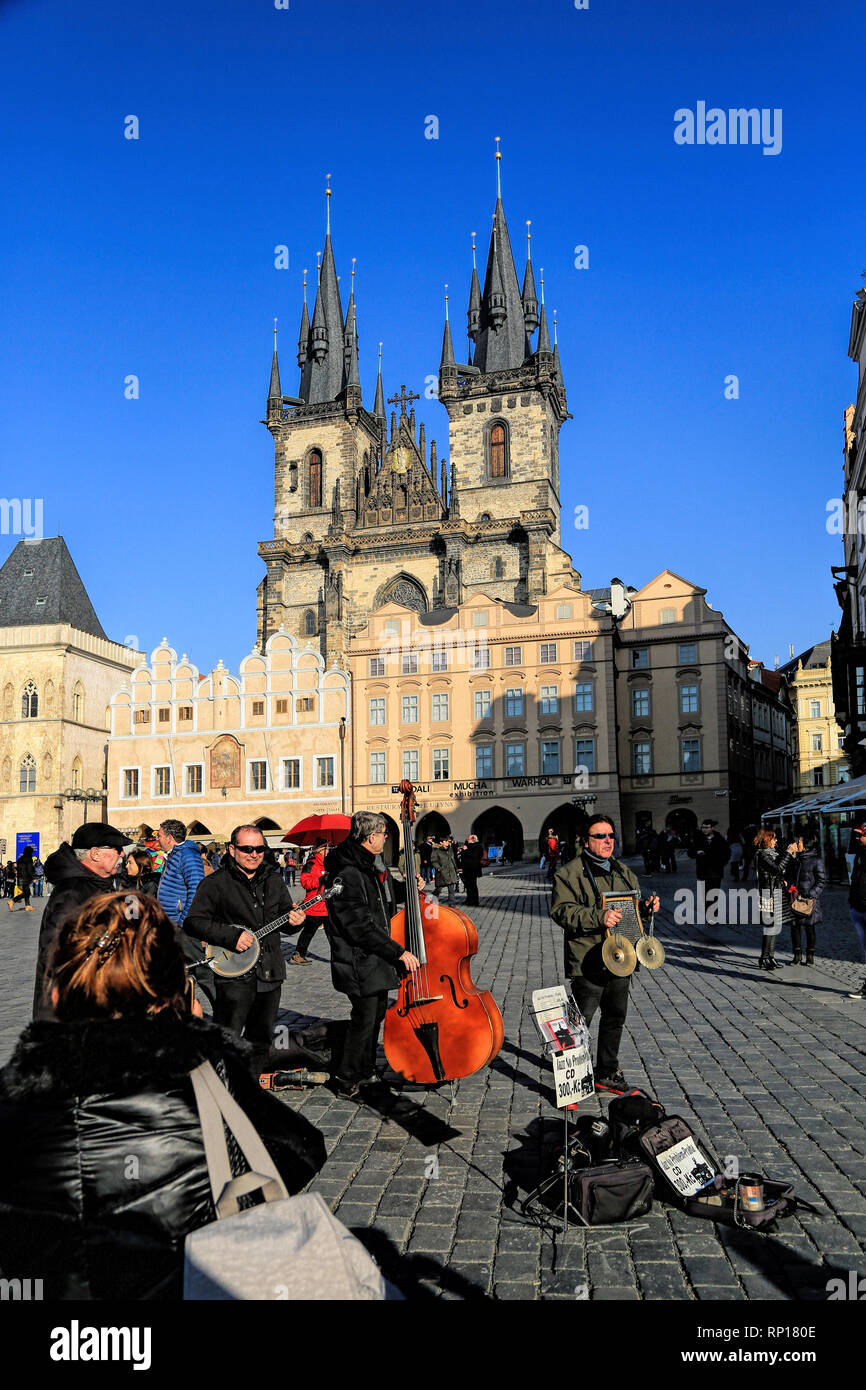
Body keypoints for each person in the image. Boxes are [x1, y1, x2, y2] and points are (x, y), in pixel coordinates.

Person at [0, 890, 325, 1300]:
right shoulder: (209, 1076)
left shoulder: (13, 1091)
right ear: (172, 987)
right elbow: (304, 1150)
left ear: (58, 990)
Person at [184, 824, 306, 1078]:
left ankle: (248, 1090)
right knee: (226, 1039)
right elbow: (194, 921)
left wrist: (296, 922)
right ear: (232, 849)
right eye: (247, 848)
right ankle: (221, 1091)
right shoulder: (215, 883)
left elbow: (285, 918)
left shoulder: (273, 880)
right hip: (234, 976)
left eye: (260, 849)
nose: (254, 854)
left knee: (260, 1040)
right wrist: (230, 936)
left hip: (270, 971)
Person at [550, 813, 659, 1095]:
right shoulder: (569, 873)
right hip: (588, 960)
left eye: (611, 835)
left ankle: (606, 1072)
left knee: (615, 1017)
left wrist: (646, 908)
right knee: (579, 1023)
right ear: (586, 841)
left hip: (621, 959)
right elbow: (562, 911)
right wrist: (599, 917)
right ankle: (571, 1081)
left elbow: (631, 913)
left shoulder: (623, 871)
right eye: (600, 836)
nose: (607, 841)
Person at [321, 811, 422, 1098]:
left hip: (372, 959)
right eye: (382, 832)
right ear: (370, 837)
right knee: (364, 1018)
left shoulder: (366, 865)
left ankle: (364, 1069)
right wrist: (398, 952)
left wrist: (409, 889)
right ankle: (347, 1077)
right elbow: (359, 926)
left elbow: (382, 899)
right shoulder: (349, 872)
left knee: (374, 1014)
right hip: (358, 960)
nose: (385, 837)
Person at [32, 822, 132, 1020]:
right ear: (94, 853)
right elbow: (56, 954)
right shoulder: (73, 892)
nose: (122, 855)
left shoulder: (101, 885)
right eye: (117, 849)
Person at [753, 828, 799, 973]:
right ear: (766, 840)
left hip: (776, 892)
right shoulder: (762, 854)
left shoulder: (773, 853)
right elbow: (777, 868)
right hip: (768, 894)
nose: (776, 841)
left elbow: (780, 870)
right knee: (769, 927)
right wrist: (787, 853)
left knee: (774, 926)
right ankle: (764, 958)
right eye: (773, 838)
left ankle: (770, 957)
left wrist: (790, 855)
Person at [792, 831, 826, 967]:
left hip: (809, 900)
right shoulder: (796, 859)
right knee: (794, 927)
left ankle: (810, 955)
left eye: (799, 842)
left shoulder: (816, 860)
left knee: (809, 928)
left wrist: (811, 893)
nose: (796, 844)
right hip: (794, 898)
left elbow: (821, 881)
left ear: (806, 844)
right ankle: (797, 955)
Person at [294, 840, 329, 964]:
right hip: (314, 905)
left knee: (334, 934)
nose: (328, 851)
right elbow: (305, 882)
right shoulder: (311, 864)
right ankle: (298, 954)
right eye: (326, 849)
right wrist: (321, 880)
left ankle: (340, 957)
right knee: (309, 932)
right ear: (320, 850)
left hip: (328, 905)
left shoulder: (328, 863)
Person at [846, 823, 866, 999]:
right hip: (859, 906)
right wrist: (852, 901)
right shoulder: (860, 853)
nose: (858, 838)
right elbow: (855, 879)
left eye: (861, 835)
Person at [688, 820, 731, 902]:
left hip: (716, 872)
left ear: (712, 828)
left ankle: (714, 913)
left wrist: (721, 863)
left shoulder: (719, 839)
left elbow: (727, 853)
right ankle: (709, 913)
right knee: (706, 895)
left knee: (714, 894)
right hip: (703, 872)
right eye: (703, 827)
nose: (704, 829)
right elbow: (690, 852)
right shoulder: (699, 839)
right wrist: (696, 852)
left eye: (707, 827)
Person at [431, 836, 458, 902]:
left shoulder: (450, 850)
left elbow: (453, 860)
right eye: (446, 841)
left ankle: (451, 905)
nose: (447, 842)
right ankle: (431, 900)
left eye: (448, 841)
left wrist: (455, 868)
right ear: (441, 843)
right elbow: (434, 861)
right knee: (438, 889)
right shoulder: (436, 851)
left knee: (451, 890)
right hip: (442, 873)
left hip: (451, 872)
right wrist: (439, 868)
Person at [460, 834, 484, 907]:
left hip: (473, 869)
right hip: (466, 868)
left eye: (468, 839)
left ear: (472, 840)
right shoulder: (468, 845)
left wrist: (466, 850)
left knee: (473, 885)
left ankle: (474, 901)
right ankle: (469, 900)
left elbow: (474, 856)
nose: (467, 839)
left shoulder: (478, 846)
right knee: (467, 885)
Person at [10, 846, 36, 912]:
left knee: (26, 892)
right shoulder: (29, 859)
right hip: (26, 879)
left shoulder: (19, 859)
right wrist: (34, 877)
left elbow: (18, 869)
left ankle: (27, 906)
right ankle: (12, 901)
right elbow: (29, 870)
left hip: (20, 878)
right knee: (27, 893)